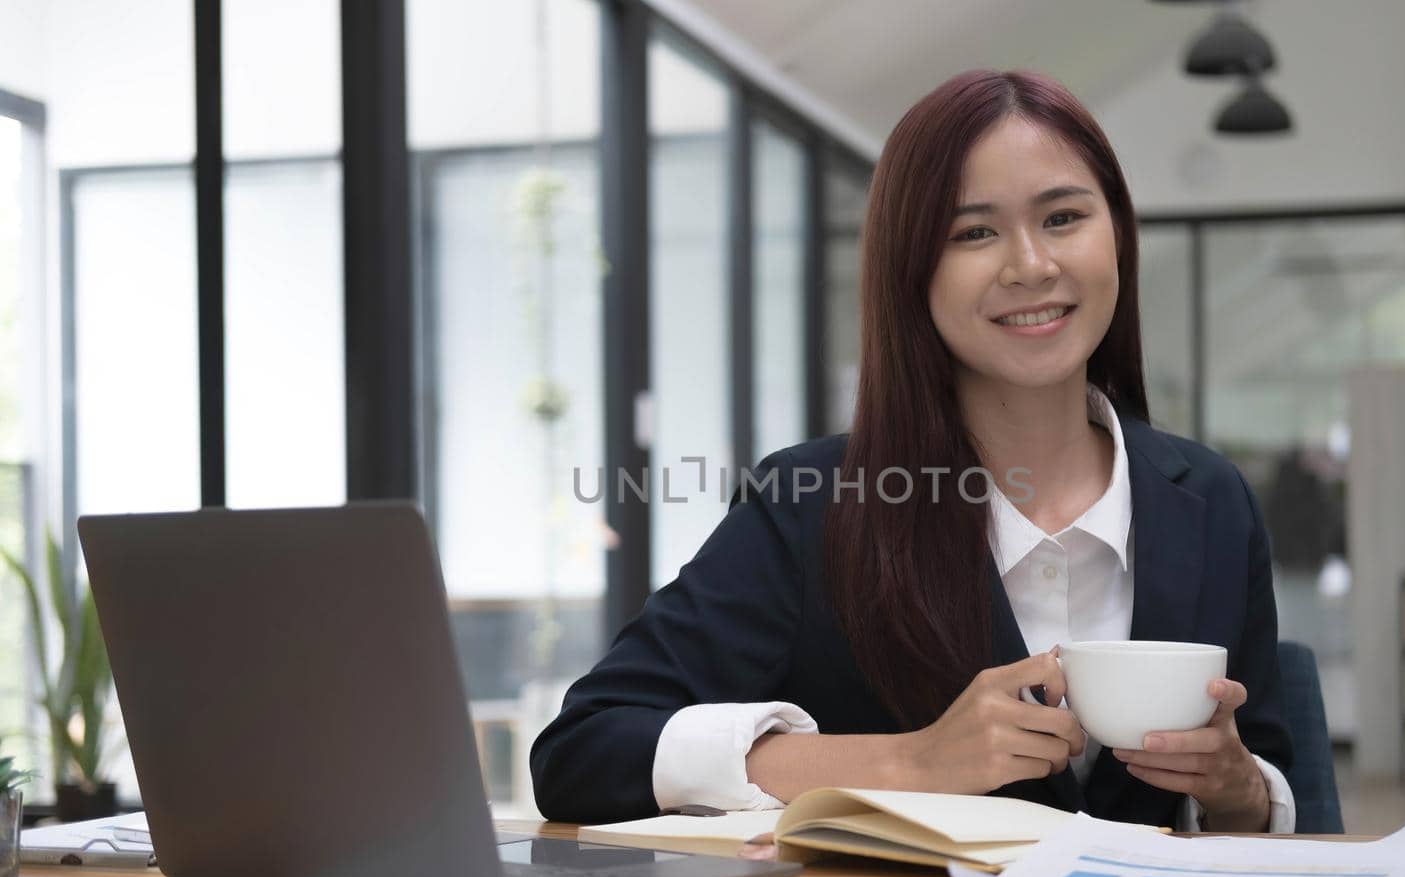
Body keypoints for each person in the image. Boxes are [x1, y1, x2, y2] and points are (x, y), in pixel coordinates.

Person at [530, 69, 1294, 833]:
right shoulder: (813, 506)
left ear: (1117, 236)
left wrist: (1239, 789)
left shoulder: (1213, 501)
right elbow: (582, 752)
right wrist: (912, 764)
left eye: (1063, 217)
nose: (1031, 264)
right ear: (911, 272)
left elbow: (1272, 791)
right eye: (973, 232)